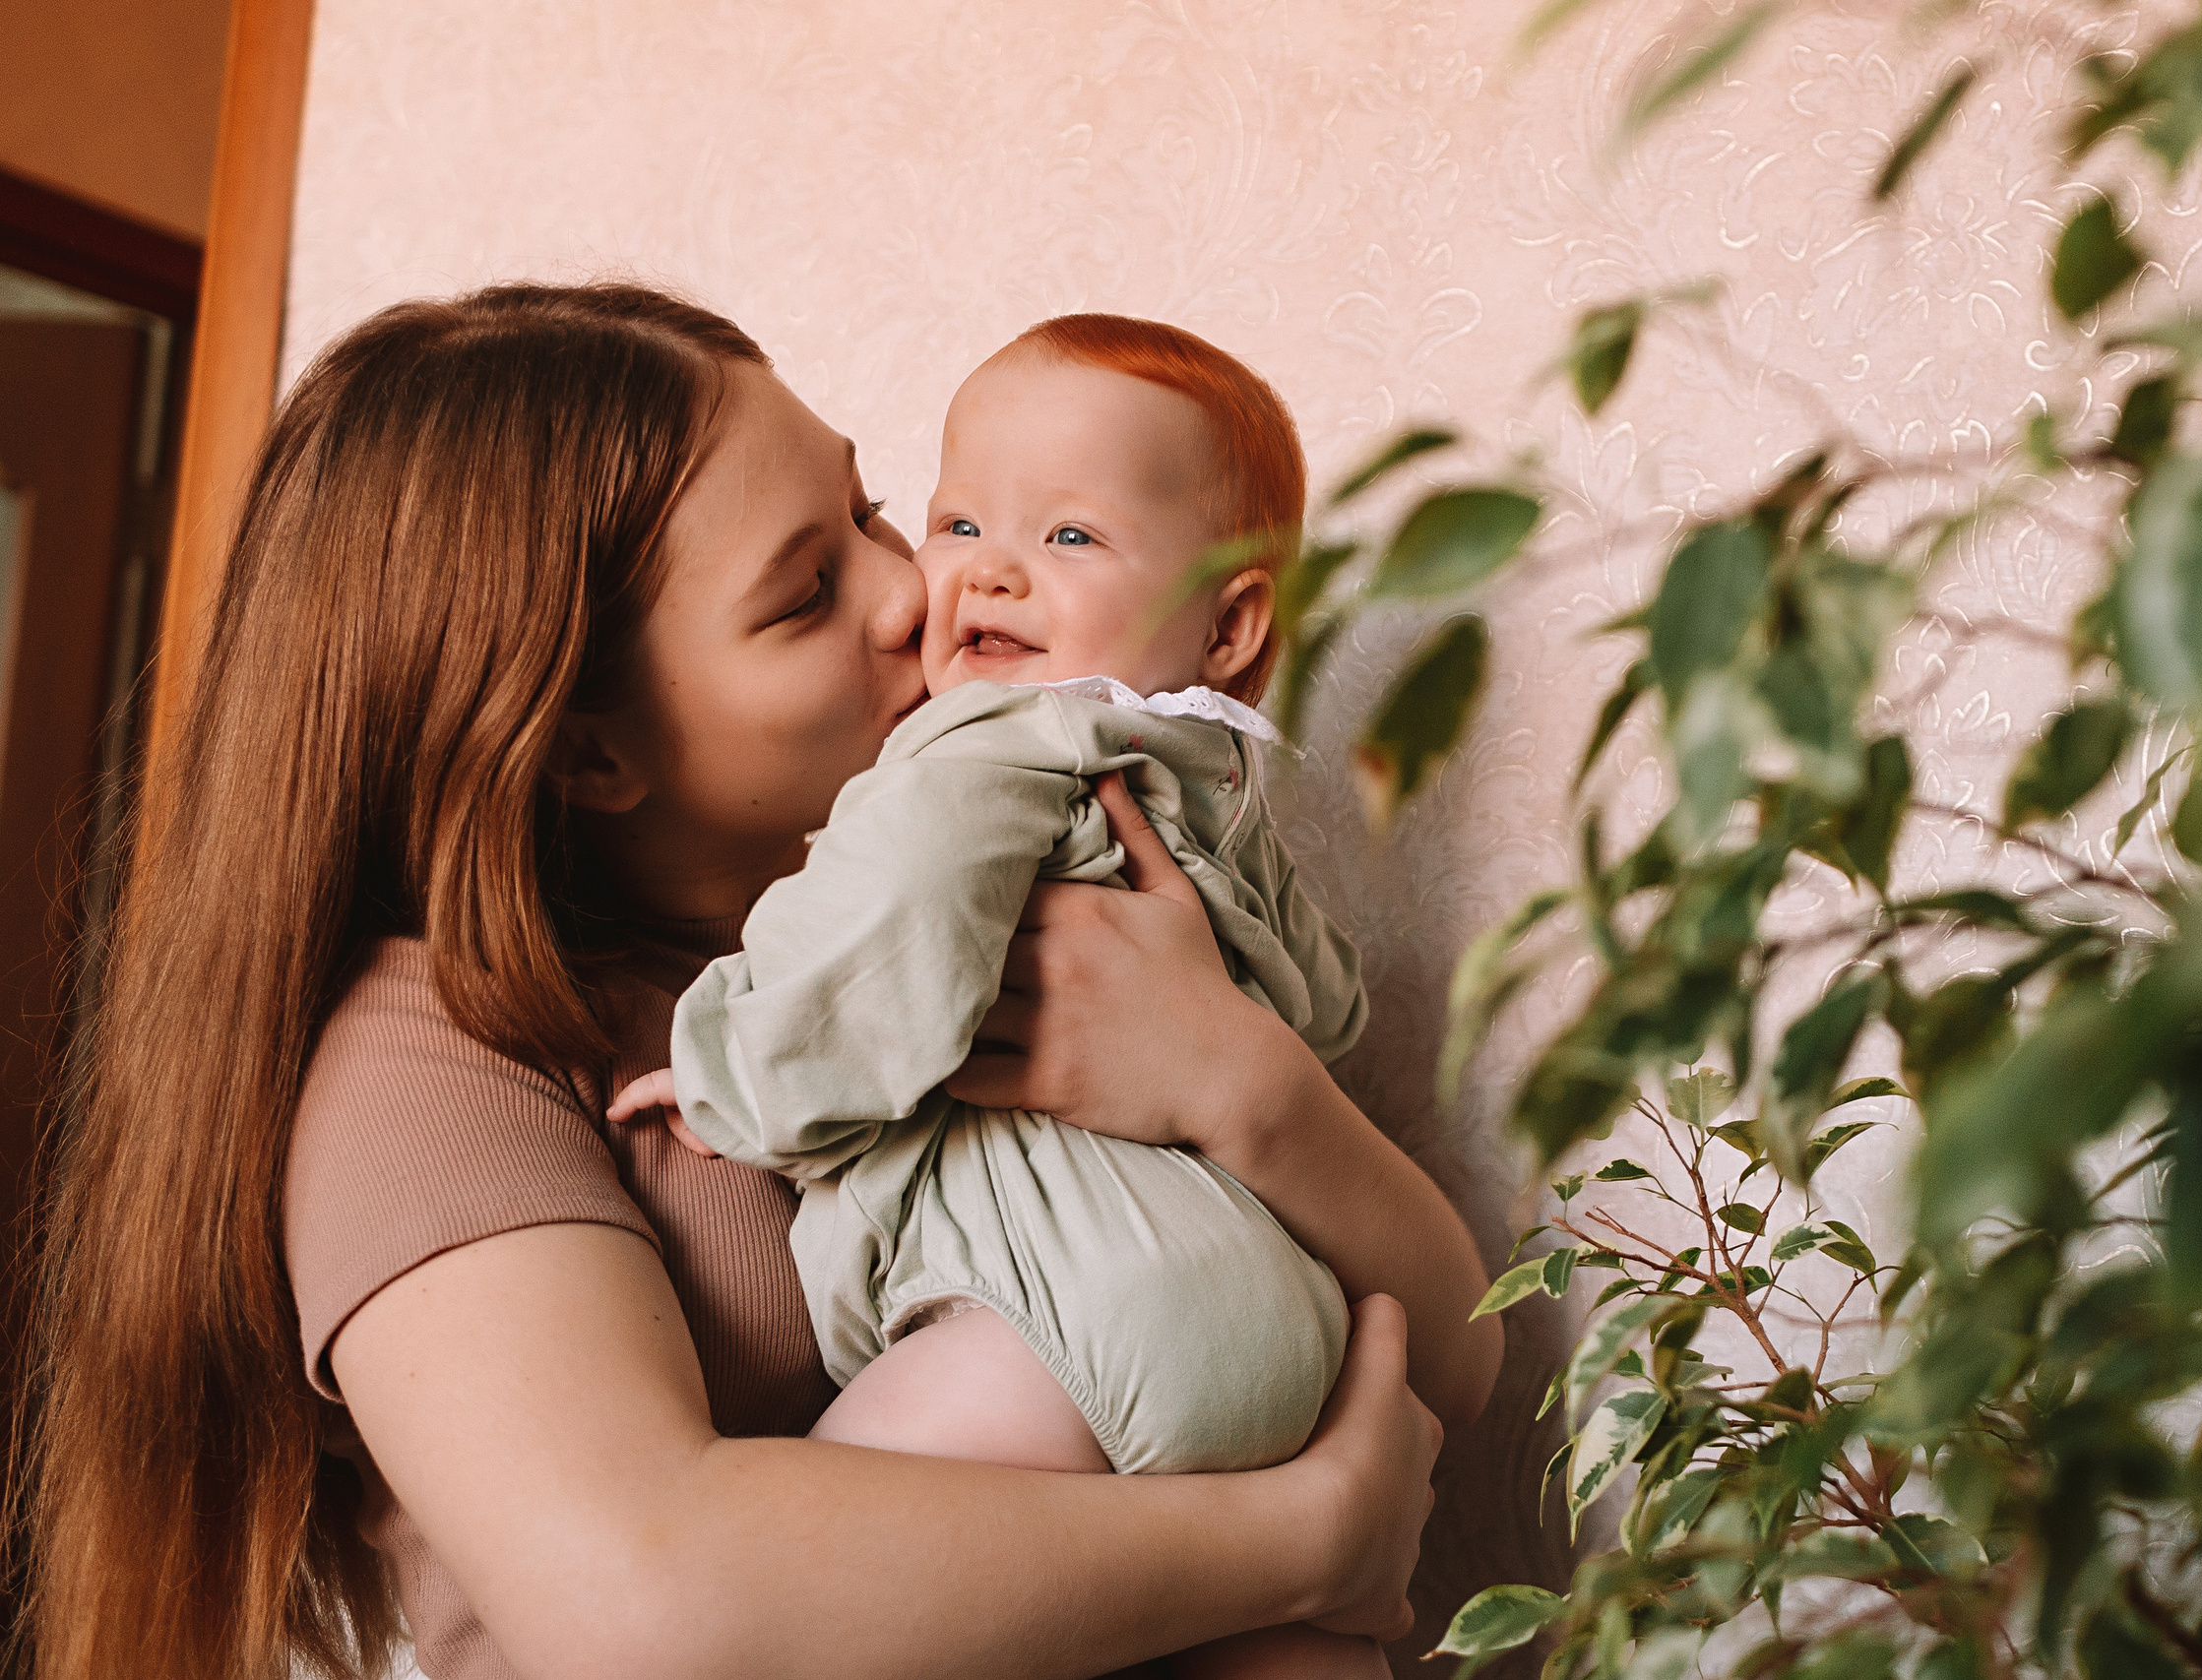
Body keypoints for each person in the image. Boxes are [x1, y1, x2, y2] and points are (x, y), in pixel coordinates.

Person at [17, 282, 1500, 1680]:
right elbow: (643, 1599)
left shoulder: (1016, 918)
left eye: (869, 511)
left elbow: (1464, 1357)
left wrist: (1245, 1091)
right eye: (804, 592)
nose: (917, 594)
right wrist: (1307, 1541)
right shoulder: (431, 1052)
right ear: (590, 746)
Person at [609, 316, 1485, 1678]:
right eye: (955, 520)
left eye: (1070, 538)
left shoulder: (982, 748)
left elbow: (888, 939)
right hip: (1279, 1341)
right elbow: (1321, 1004)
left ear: (1231, 619)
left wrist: (733, 1069)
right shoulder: (1216, 789)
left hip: (1058, 1337)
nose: (985, 575)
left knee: (802, 1605)